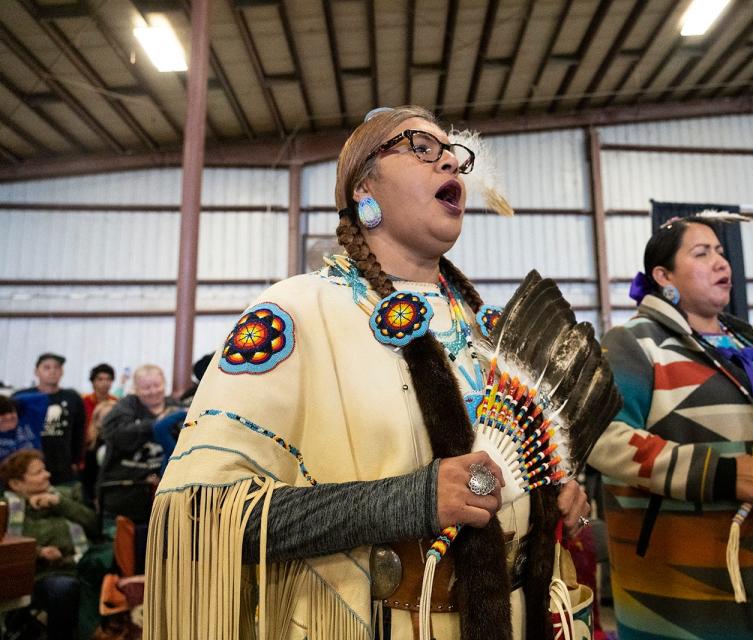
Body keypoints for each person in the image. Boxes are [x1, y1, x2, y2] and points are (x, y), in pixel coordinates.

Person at [145, 106, 592, 640]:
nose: (450, 158)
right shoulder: (297, 312)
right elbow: (201, 514)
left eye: (454, 152)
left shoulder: (488, 327)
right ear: (364, 188)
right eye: (421, 147)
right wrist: (411, 501)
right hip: (375, 622)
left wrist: (551, 496)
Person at [588, 216, 753, 639]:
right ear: (663, 276)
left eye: (721, 253)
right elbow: (603, 439)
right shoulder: (633, 344)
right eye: (701, 253)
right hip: (683, 580)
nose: (720, 262)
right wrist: (719, 474)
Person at [0, 448, 98, 638]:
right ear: (16, 483)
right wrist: (38, 552)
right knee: (62, 588)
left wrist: (59, 503)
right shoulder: (7, 507)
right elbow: (5, 546)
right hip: (39, 575)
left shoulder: (67, 494)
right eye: (38, 472)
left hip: (82, 564)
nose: (48, 475)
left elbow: (94, 525)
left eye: (44, 469)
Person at [98, 364, 177, 524]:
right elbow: (114, 434)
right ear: (136, 388)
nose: (153, 391)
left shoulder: (176, 408)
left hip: (164, 501)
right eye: (146, 387)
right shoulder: (125, 406)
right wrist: (156, 424)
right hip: (124, 498)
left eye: (157, 385)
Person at [13, 353, 86, 486]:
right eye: (46, 367)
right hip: (28, 465)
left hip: (63, 465)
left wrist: (77, 461)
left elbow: (79, 432)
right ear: (36, 371)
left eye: (57, 367)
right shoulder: (21, 397)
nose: (52, 371)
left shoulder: (72, 397)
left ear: (62, 371)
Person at [81, 363, 117, 503]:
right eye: (100, 379)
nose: (104, 383)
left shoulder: (117, 403)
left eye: (108, 379)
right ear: (93, 381)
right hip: (88, 450)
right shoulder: (83, 401)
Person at [0, 392, 47, 464]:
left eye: (11, 412)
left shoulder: (28, 421)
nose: (8, 417)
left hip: (36, 471)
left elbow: (41, 398)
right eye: (2, 414)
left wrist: (11, 402)